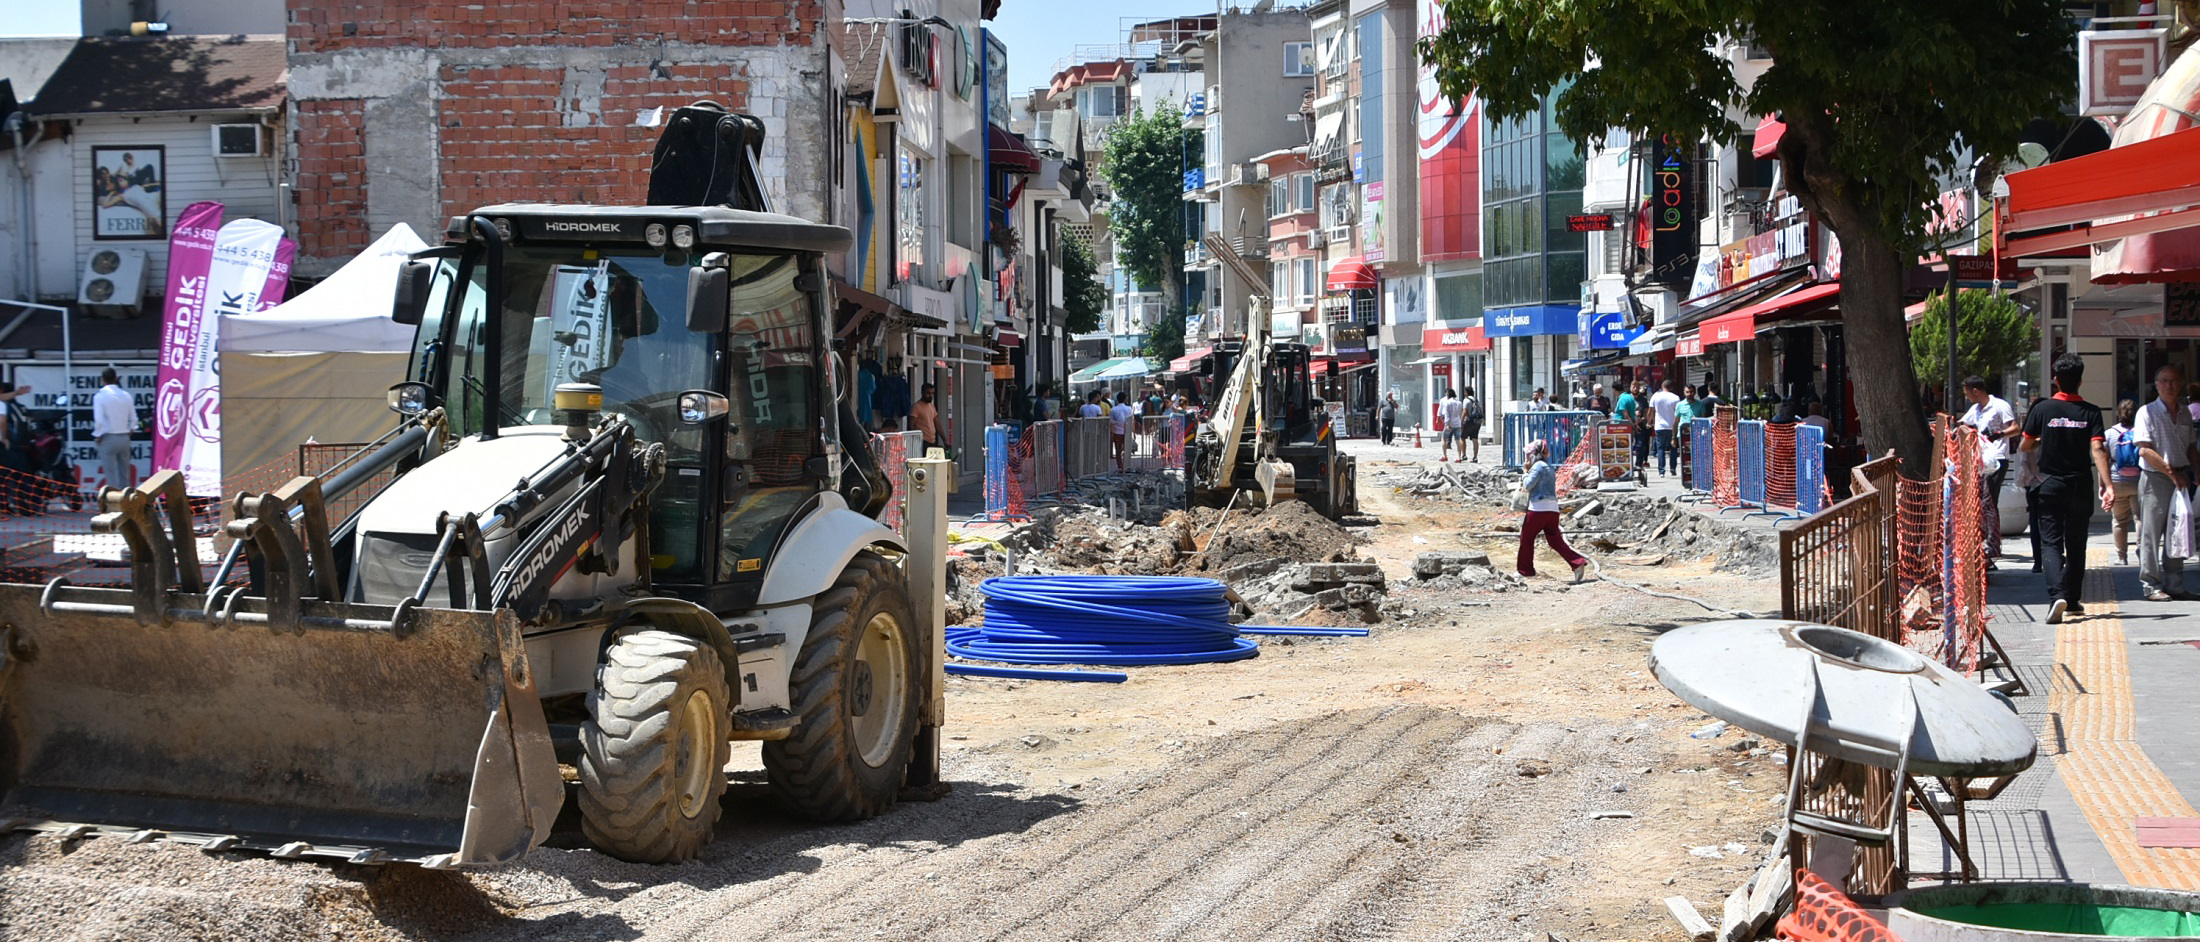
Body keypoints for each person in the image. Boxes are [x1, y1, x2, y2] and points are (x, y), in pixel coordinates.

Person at [2018, 353, 2112, 624]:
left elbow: (2025, 445)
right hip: (2081, 483)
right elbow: (2098, 448)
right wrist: (2107, 484)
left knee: (2050, 543)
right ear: (2080, 380)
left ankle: (2056, 595)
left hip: (2050, 484)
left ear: (2056, 380)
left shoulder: (2042, 409)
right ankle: (2072, 599)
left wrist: (2041, 441)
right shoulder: (2091, 411)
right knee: (2077, 543)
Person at [2132, 365, 2198, 602]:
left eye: (2174, 381)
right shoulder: (2146, 412)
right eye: (2164, 381)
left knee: (2178, 531)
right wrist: (2172, 474)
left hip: (2181, 477)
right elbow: (2145, 451)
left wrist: (2196, 472)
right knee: (2152, 532)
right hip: (2156, 478)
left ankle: (2175, 584)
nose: (2169, 385)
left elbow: (2190, 447)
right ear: (2156, 384)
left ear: (2181, 384)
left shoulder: (2185, 413)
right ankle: (2151, 585)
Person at [1960, 376, 2020, 562]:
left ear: (1976, 390)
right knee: (1981, 501)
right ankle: (1985, 539)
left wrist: (1998, 434)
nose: (1967, 396)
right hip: (1982, 461)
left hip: (1997, 459)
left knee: (1989, 501)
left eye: (1967, 393)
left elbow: (2016, 428)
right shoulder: (1976, 409)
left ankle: (1993, 544)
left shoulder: (1999, 405)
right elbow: (1963, 424)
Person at [1517, 439, 1589, 582]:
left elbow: (1528, 485)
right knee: (1555, 540)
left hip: (1538, 508)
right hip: (1552, 510)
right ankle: (1577, 562)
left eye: (1528, 454)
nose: (1526, 457)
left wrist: (1525, 472)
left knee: (1526, 539)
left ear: (1534, 454)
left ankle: (1525, 571)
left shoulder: (1537, 466)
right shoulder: (1548, 467)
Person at [2105, 399, 2142, 565]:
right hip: (2139, 480)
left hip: (2117, 479)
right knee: (2140, 518)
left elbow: (2104, 461)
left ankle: (2122, 557)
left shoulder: (2109, 433)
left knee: (2119, 520)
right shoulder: (2142, 431)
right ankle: (2143, 553)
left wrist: (2104, 485)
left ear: (2118, 414)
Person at [91, 368, 136, 492]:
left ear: (102, 379)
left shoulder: (100, 396)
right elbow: (133, 418)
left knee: (111, 476)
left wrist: (98, 435)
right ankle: (127, 502)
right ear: (116, 378)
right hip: (124, 436)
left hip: (108, 437)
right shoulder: (126, 395)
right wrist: (130, 430)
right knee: (125, 474)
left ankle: (114, 504)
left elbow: (99, 420)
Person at [1649, 379, 1683, 476]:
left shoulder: (1655, 397)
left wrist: (1649, 421)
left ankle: (1661, 471)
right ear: (1671, 387)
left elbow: (1650, 411)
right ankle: (1673, 468)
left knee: (1661, 449)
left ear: (1662, 386)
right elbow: (1678, 413)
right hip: (1672, 426)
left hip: (1659, 426)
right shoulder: (1676, 398)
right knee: (1673, 448)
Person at [908, 383, 942, 454]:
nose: (931, 396)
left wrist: (944, 439)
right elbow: (911, 425)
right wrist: (917, 440)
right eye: (928, 393)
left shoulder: (932, 407)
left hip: (932, 440)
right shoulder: (916, 407)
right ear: (922, 393)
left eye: (932, 393)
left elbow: (937, 424)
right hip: (922, 441)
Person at [1109, 392, 1136, 470]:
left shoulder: (1113, 409)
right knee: (1127, 450)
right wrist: (1133, 432)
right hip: (1127, 432)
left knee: (1118, 450)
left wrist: (1111, 431)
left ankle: (1120, 467)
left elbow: (1111, 422)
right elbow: (1132, 421)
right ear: (1125, 399)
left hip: (1117, 432)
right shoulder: (1129, 409)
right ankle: (1127, 466)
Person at [1437, 388, 1464, 462]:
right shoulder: (1459, 403)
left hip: (1450, 423)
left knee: (1444, 439)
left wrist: (1447, 424)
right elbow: (1460, 413)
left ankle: (1445, 455)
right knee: (1458, 440)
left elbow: (1447, 414)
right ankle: (1459, 457)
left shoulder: (1447, 403)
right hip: (1457, 423)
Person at [1461, 388, 1485, 463]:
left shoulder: (1466, 400)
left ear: (1466, 392)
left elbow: (1465, 411)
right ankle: (1475, 457)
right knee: (1475, 439)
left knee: (1462, 437)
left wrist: (1461, 421)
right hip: (1477, 422)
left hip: (1469, 421)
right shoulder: (1477, 400)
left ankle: (1464, 455)